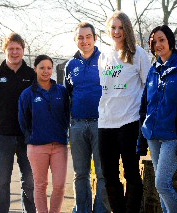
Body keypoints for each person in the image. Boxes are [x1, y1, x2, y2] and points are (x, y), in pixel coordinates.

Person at [137, 25, 177, 213]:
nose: (158, 44)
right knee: (161, 186)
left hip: (173, 136)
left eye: (162, 40)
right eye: (154, 41)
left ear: (170, 41)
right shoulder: (153, 70)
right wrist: (141, 137)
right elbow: (145, 105)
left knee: (162, 184)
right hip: (153, 135)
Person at [98, 11, 151, 213]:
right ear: (108, 30)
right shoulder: (103, 56)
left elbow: (148, 87)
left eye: (121, 27)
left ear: (127, 29)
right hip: (105, 123)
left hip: (129, 122)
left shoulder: (138, 54)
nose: (117, 31)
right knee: (109, 175)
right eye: (113, 27)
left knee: (131, 172)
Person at [0, 32, 36, 213]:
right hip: (1, 138)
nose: (15, 52)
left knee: (29, 182)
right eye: (11, 48)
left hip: (28, 138)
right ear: (5, 51)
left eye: (18, 48)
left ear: (23, 51)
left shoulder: (32, 75)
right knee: (1, 182)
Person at [64, 22, 111, 213]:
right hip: (76, 125)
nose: (84, 41)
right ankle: (81, 209)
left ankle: (101, 210)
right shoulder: (70, 65)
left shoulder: (107, 60)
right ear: (76, 40)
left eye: (88, 37)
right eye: (80, 37)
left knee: (102, 173)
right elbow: (68, 95)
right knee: (80, 173)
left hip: (101, 124)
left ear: (95, 38)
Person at [18, 55, 70, 213]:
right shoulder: (27, 94)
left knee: (60, 185)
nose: (46, 71)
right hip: (37, 147)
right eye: (42, 67)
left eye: (49, 68)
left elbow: (67, 115)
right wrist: (32, 137)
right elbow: (22, 121)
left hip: (59, 146)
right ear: (35, 69)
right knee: (40, 185)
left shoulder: (61, 91)